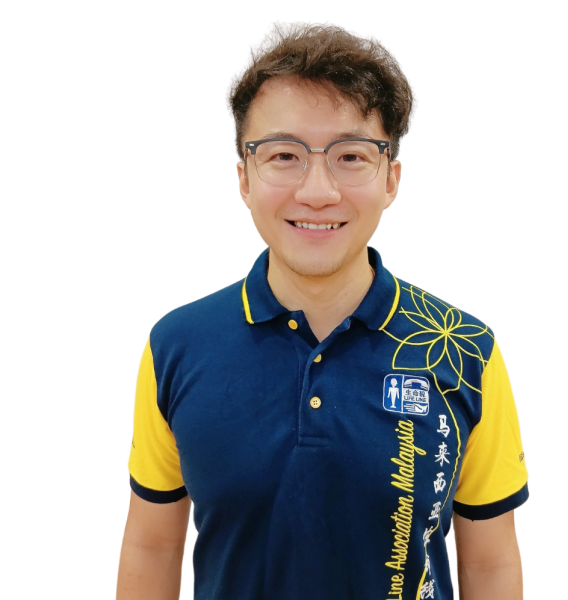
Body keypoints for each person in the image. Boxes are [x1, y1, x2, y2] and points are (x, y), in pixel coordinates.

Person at [116, 24, 529, 600]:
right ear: (244, 178)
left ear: (391, 179)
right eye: (284, 155)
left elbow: (490, 562)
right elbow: (152, 546)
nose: (317, 191)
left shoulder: (463, 350)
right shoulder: (178, 347)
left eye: (350, 156)